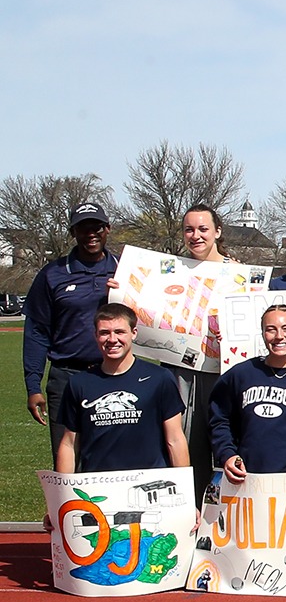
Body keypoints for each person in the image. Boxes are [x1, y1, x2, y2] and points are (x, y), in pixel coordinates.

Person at [26, 201, 120, 455]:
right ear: (73, 233)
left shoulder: (126, 270)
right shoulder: (53, 274)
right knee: (66, 459)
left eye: (96, 227)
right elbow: (36, 332)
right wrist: (33, 386)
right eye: (83, 228)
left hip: (114, 375)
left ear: (107, 229)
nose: (91, 234)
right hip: (66, 376)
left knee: (111, 460)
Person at [53, 303, 189, 473]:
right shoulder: (79, 383)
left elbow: (175, 439)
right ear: (95, 335)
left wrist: (183, 488)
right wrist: (64, 491)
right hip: (98, 485)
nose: (112, 339)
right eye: (104, 333)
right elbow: (69, 443)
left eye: (119, 332)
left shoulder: (159, 378)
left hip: (150, 483)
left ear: (134, 333)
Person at [208, 305, 286, 486]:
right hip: (246, 481)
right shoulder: (240, 375)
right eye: (270, 330)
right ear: (263, 334)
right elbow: (219, 420)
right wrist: (227, 454)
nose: (279, 336)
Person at [177, 204, 234, 494]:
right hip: (182, 370)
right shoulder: (172, 272)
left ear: (217, 232)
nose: (196, 236)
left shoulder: (238, 273)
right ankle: (192, 514)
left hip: (225, 370)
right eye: (189, 229)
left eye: (203, 229)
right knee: (187, 443)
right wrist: (122, 290)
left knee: (228, 442)